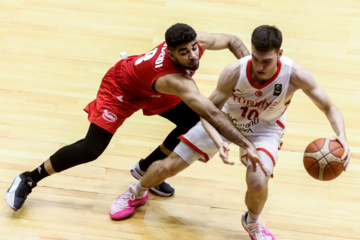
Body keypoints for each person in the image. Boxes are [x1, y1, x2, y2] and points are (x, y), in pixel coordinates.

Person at [109, 25, 351, 240]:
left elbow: (329, 107)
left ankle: (252, 223)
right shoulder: (235, 71)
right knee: (167, 167)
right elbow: (207, 112)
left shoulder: (296, 74)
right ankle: (136, 191)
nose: (259, 66)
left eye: (266, 61)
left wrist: (342, 137)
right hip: (225, 122)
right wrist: (218, 140)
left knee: (258, 181)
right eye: (255, 58)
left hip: (264, 130)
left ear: (280, 54)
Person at [5, 23, 267, 212]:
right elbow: (209, 112)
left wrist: (253, 76)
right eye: (184, 53)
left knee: (188, 122)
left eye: (193, 49)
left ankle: (145, 168)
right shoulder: (175, 80)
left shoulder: (196, 44)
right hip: (121, 89)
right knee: (91, 148)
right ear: (171, 52)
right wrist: (247, 144)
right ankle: (29, 178)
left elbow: (233, 40)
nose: (193, 56)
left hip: (153, 88)